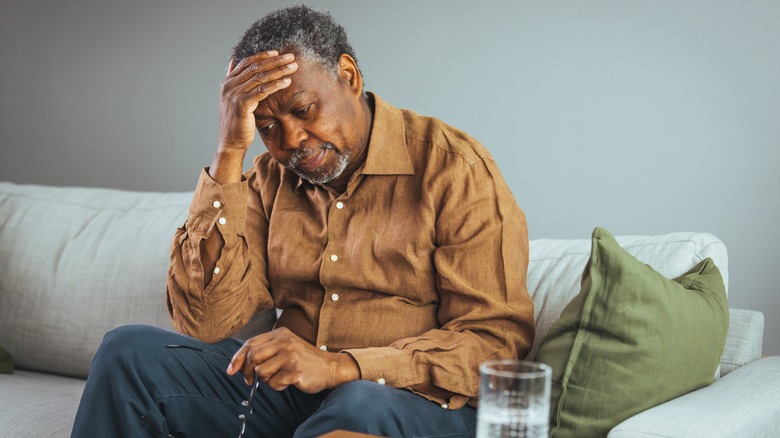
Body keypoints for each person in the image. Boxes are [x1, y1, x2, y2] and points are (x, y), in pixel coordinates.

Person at [71, 5, 534, 437]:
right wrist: (230, 150)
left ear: (348, 76)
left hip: (404, 402)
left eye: (303, 110)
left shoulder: (452, 168)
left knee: (357, 403)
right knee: (127, 353)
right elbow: (204, 323)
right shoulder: (267, 180)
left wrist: (342, 366)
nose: (291, 139)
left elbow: (494, 343)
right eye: (267, 126)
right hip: (289, 398)